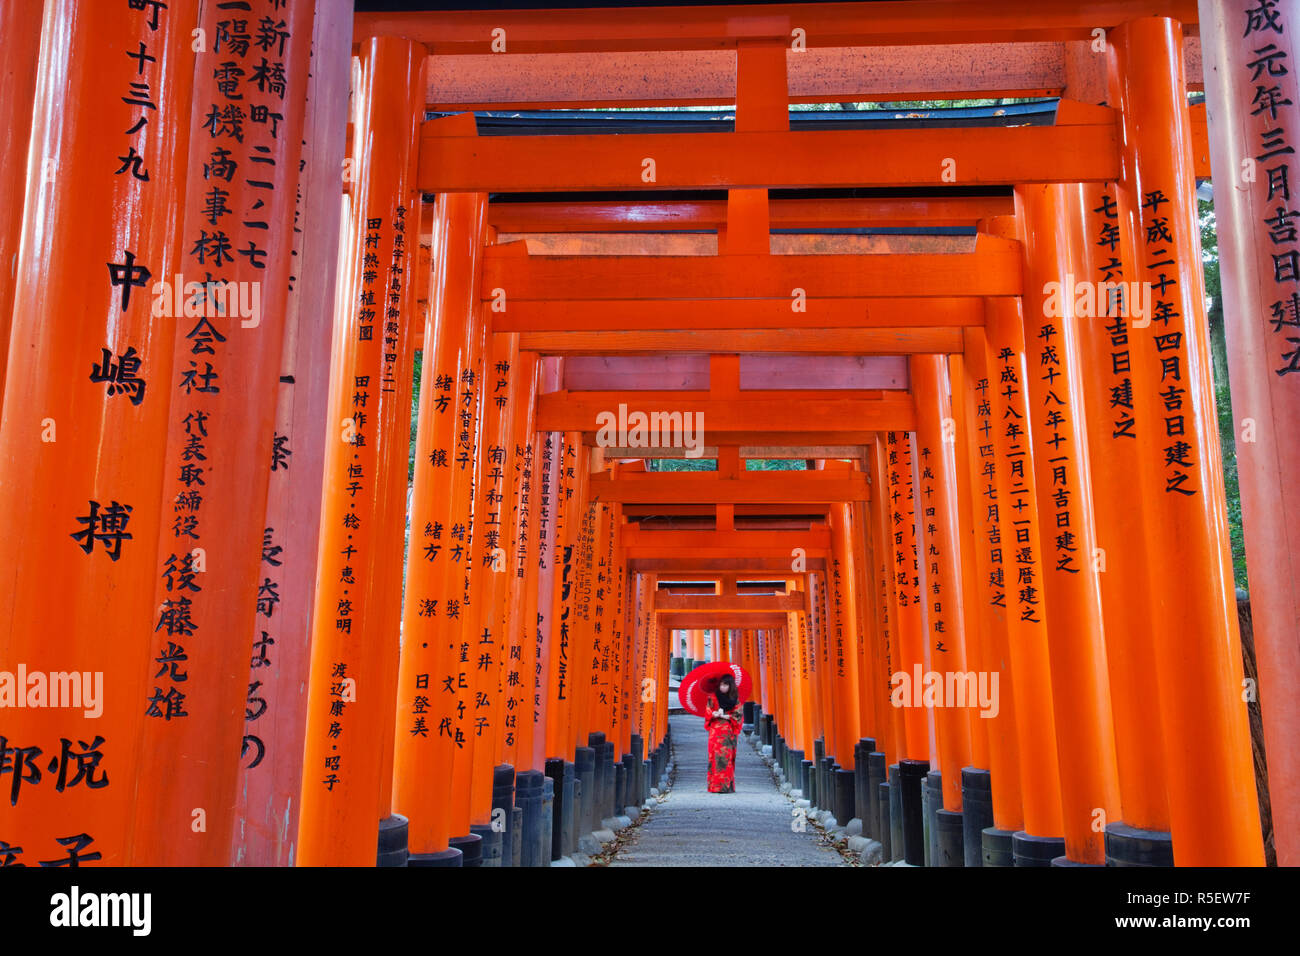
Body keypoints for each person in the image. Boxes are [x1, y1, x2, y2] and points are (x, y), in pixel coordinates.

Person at [705, 674, 743, 793]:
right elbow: (707, 711)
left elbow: (738, 715)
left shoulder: (735, 699)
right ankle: (714, 786)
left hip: (728, 732)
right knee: (714, 757)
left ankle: (727, 786)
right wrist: (713, 714)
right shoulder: (713, 698)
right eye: (721, 685)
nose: (723, 687)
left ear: (730, 686)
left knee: (727, 758)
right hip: (715, 731)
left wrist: (728, 716)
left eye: (725, 685)